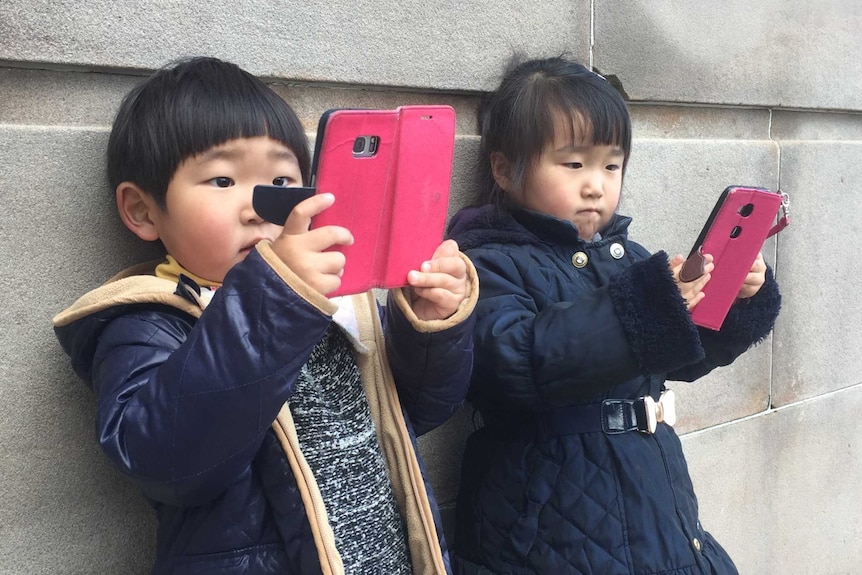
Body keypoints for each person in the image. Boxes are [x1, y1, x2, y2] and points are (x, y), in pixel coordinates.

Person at [53, 56, 478, 575]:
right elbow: (168, 462)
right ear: (143, 210)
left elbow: (418, 410)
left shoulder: (340, 301)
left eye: (280, 179)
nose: (258, 206)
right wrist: (274, 299)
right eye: (222, 180)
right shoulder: (147, 322)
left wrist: (431, 325)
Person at [446, 56, 781, 574]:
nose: (595, 185)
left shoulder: (623, 255)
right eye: (573, 164)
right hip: (550, 521)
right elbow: (517, 359)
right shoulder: (487, 261)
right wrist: (648, 305)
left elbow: (679, 360)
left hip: (651, 496)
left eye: (611, 165)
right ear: (504, 169)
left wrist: (731, 299)